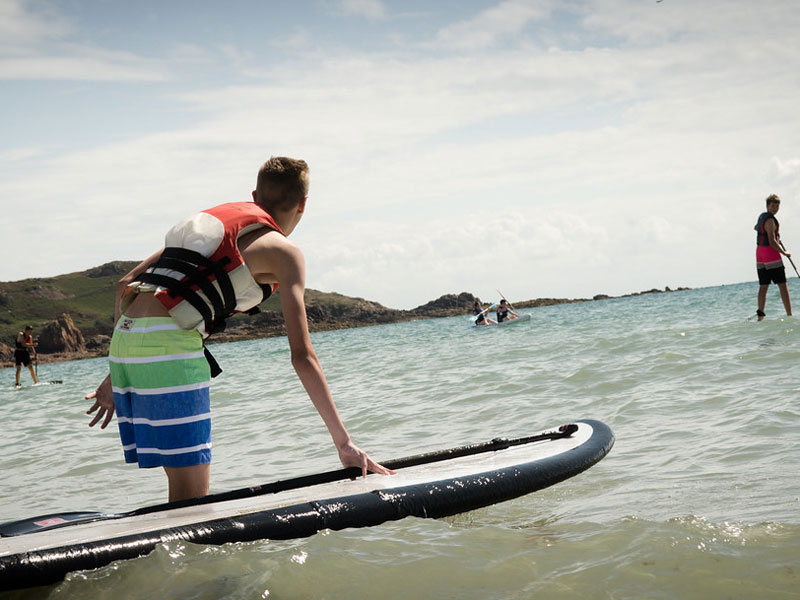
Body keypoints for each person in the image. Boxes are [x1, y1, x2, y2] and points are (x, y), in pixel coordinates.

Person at [86, 156, 394, 502]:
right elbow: (302, 356)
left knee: (180, 485)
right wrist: (344, 444)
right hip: (169, 346)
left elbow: (125, 284)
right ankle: (186, 555)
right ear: (303, 205)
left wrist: (117, 372)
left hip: (125, 342)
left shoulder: (214, 224)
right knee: (192, 502)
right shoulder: (285, 253)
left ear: (254, 195)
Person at [754, 193, 792, 321]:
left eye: (777, 206)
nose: (775, 208)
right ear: (767, 206)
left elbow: (756, 228)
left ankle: (760, 316)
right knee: (782, 285)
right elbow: (771, 242)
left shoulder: (761, 217)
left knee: (763, 285)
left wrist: (770, 231)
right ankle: (789, 315)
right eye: (773, 206)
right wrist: (784, 252)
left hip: (759, 254)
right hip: (770, 254)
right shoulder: (770, 220)